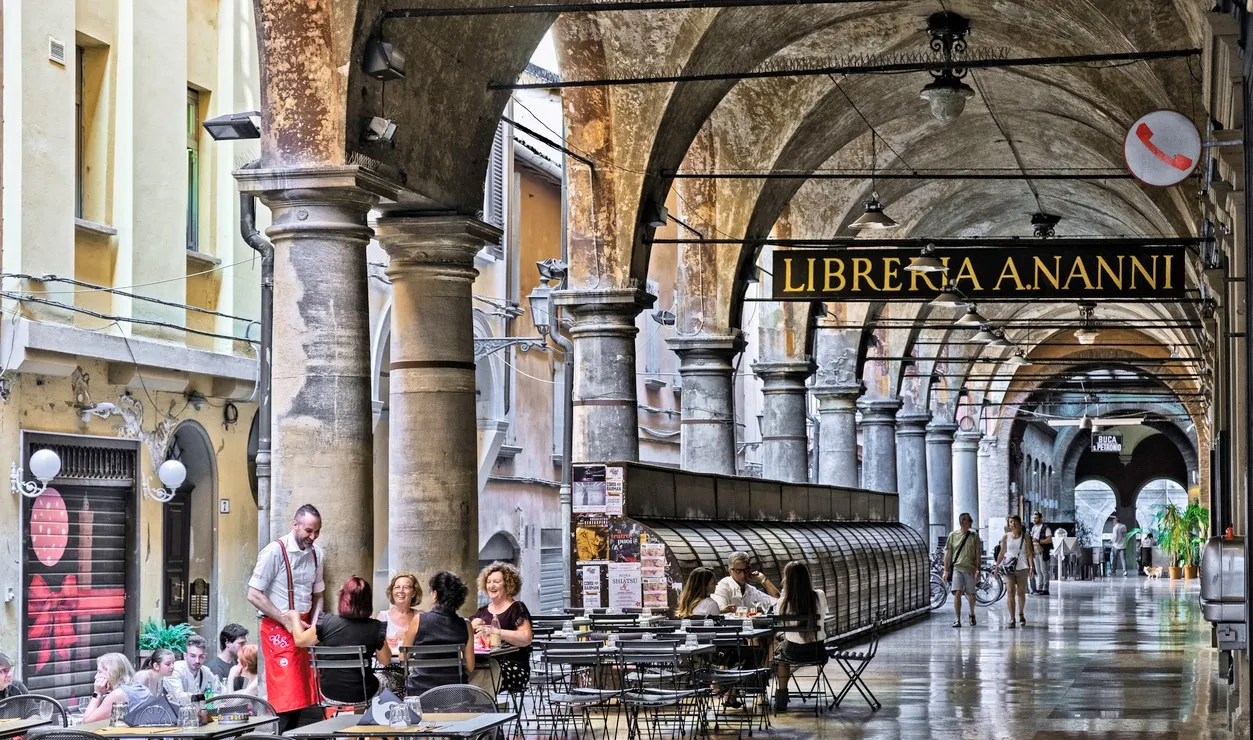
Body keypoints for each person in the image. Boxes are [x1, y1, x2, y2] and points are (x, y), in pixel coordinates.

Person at [246, 504, 325, 731]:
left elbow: (318, 594)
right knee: (286, 696)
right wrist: (285, 619)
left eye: (317, 531)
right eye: (309, 530)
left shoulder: (317, 554)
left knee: (307, 692)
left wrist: (316, 624)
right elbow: (253, 594)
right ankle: (278, 735)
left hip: (307, 627)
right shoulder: (274, 551)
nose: (313, 536)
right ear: (295, 524)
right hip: (277, 628)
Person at [289, 576, 390, 705]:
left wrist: (294, 617)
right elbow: (385, 661)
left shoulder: (325, 622)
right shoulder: (376, 626)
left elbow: (299, 640)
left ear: (343, 598)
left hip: (329, 693)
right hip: (364, 694)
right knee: (392, 678)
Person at [403, 572, 475, 696]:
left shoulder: (419, 620)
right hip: (455, 694)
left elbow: (402, 657)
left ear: (435, 594)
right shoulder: (466, 624)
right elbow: (470, 666)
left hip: (420, 692)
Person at [772, 561, 829, 713]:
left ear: (787, 580)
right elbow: (824, 614)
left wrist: (785, 591)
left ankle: (782, 695)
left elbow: (779, 620)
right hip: (817, 651)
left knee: (780, 656)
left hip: (793, 652)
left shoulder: (783, 602)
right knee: (784, 645)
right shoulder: (819, 595)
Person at [470, 562, 534, 695]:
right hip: (483, 663)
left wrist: (495, 632)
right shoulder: (482, 611)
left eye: (496, 582)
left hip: (513, 667)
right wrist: (471, 626)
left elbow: (526, 638)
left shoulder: (517, 608)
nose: (491, 586)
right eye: (488, 582)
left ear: (508, 584)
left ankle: (481, 707)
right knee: (462, 673)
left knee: (482, 677)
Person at [82, 653, 152, 723]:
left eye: (99, 672)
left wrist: (97, 693)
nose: (96, 677)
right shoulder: (136, 686)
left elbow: (87, 722)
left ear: (112, 672)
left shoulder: (118, 694)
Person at [943, 513, 983, 628]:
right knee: (957, 593)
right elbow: (948, 553)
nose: (971, 522)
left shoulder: (974, 535)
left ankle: (971, 613)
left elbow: (977, 553)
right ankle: (957, 619)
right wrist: (945, 570)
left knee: (971, 594)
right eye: (969, 520)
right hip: (957, 568)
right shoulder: (953, 535)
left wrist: (978, 569)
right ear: (962, 522)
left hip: (970, 568)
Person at [995, 515, 1035, 628]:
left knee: (1021, 592)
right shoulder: (1005, 537)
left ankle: (1021, 613)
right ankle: (1012, 618)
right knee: (1010, 592)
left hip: (1022, 567)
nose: (1013, 524)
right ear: (1009, 524)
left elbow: (1029, 553)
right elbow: (1002, 553)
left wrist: (1031, 567)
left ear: (1020, 523)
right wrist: (997, 566)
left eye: (1015, 521)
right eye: (1011, 522)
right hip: (1008, 568)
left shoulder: (1026, 537)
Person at [163, 634, 222, 705]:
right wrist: (206, 696)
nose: (197, 661)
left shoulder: (206, 672)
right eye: (193, 656)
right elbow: (179, 697)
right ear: (185, 656)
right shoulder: (175, 669)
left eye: (201, 657)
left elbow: (221, 692)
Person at [712, 552, 779, 613]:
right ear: (730, 571)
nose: (743, 575)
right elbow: (718, 611)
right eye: (738, 571)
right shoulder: (723, 587)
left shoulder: (751, 590)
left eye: (746, 570)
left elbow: (778, 601)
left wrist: (764, 580)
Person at [378, 573, 422, 651]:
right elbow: (378, 648)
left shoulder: (420, 616)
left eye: (406, 587)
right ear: (392, 591)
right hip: (389, 662)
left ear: (413, 593)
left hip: (414, 662)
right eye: (397, 587)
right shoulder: (383, 617)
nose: (401, 591)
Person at [1029, 512, 1053, 596]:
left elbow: (1049, 540)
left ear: (1040, 518)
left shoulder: (1046, 528)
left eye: (1036, 518)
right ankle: (1040, 588)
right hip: (1035, 551)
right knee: (1038, 571)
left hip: (1043, 551)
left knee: (1044, 570)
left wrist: (1038, 541)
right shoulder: (1034, 527)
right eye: (1034, 518)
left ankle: (1045, 589)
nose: (1034, 519)